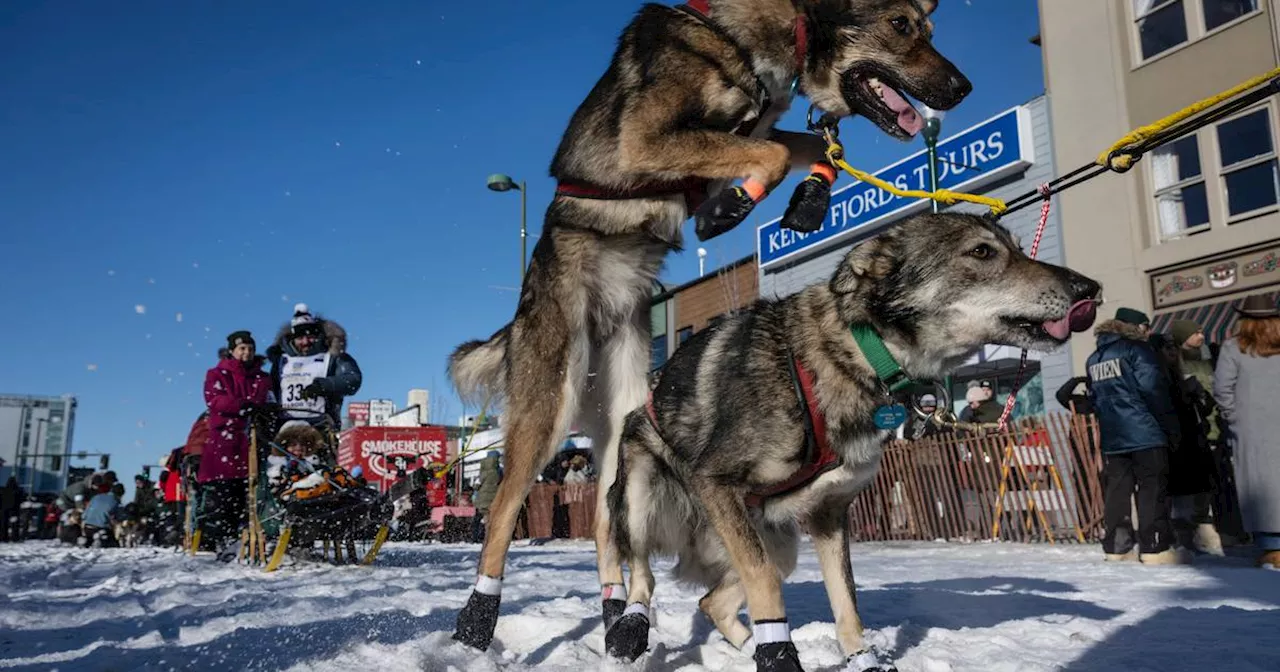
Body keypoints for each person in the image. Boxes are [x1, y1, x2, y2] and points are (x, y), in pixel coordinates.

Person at [1086, 307, 1188, 564]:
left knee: (1118, 491)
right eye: (1146, 326)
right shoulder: (1137, 350)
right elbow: (1154, 390)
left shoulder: (1094, 358)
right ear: (1135, 327)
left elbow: (1096, 398)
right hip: (1146, 431)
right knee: (1152, 489)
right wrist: (1171, 427)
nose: (1149, 331)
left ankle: (1117, 547)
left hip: (1113, 435)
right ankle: (1155, 547)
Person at [1213, 293, 1280, 568]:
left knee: (1258, 483)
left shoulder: (1233, 347)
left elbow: (1222, 389)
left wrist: (1234, 418)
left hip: (1251, 428)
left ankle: (1271, 547)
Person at [1148, 333, 1223, 556]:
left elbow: (1204, 408)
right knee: (1178, 493)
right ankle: (1180, 537)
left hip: (1192, 437)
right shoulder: (1156, 378)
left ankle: (1196, 535)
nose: (1172, 352)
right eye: (1166, 348)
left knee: (1199, 490)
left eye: (1173, 348)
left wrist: (1200, 396)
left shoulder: (1180, 376)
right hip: (1172, 441)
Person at [200, 330, 272, 561]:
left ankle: (251, 537)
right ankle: (226, 539)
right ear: (232, 350)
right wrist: (243, 405)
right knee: (225, 495)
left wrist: (261, 410)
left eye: (250, 348)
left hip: (254, 440)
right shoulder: (217, 374)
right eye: (242, 348)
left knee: (252, 493)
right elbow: (215, 400)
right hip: (226, 442)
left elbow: (267, 400)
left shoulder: (262, 377)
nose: (246, 352)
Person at [268, 303, 362, 433]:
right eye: (300, 338)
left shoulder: (333, 357)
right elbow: (270, 389)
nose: (305, 342)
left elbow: (352, 380)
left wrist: (323, 386)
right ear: (292, 339)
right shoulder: (281, 361)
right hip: (285, 428)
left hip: (321, 426)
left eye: (310, 336)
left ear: (318, 336)